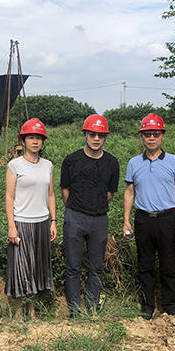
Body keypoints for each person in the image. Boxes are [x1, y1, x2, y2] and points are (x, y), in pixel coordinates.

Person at [123, 113, 175, 319]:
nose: (151, 138)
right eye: (147, 134)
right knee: (145, 265)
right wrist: (126, 221)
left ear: (162, 136)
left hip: (167, 219)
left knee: (168, 265)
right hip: (143, 219)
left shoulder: (174, 161)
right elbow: (129, 193)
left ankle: (170, 306)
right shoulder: (133, 163)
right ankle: (147, 306)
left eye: (156, 134)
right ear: (142, 137)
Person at [60, 114, 119, 316]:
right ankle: (75, 310)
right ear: (85, 134)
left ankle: (92, 307)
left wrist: (94, 205)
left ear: (105, 137)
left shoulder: (112, 162)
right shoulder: (71, 160)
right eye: (92, 134)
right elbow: (65, 189)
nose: (96, 138)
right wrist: (75, 208)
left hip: (99, 219)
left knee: (96, 267)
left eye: (100, 135)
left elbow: (110, 193)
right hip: (75, 217)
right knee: (73, 266)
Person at [5, 118, 57, 319]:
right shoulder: (15, 165)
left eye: (39, 138)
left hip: (41, 222)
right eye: (31, 137)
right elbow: (9, 197)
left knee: (36, 267)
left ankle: (32, 311)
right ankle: (18, 313)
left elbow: (51, 195)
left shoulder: (47, 165)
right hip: (21, 222)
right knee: (20, 267)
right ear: (23, 140)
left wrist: (53, 221)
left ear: (43, 141)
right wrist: (12, 225)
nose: (35, 141)